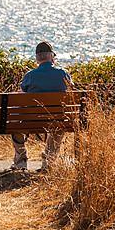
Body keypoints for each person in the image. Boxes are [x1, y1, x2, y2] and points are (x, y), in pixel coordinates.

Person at [11, 41, 73, 171]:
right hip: (57, 119)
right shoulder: (64, 74)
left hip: (31, 121)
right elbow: (71, 95)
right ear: (52, 57)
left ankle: (21, 161)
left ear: (37, 59)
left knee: (14, 125)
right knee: (58, 126)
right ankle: (48, 161)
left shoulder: (29, 76)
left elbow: (20, 100)